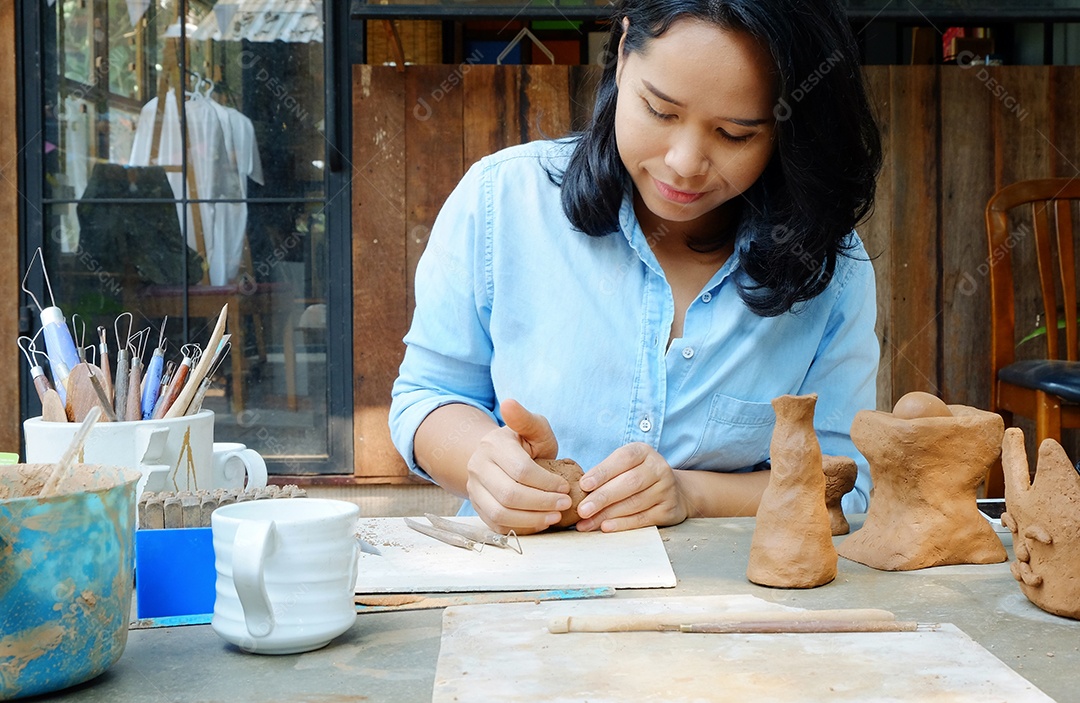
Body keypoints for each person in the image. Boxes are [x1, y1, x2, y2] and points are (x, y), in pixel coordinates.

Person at [389, 0, 882, 536]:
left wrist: (692, 493)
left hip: (731, 604)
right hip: (519, 589)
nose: (684, 163)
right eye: (661, 111)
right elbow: (428, 397)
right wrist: (483, 464)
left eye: (735, 134)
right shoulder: (503, 201)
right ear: (623, 53)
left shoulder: (830, 268)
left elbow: (844, 486)